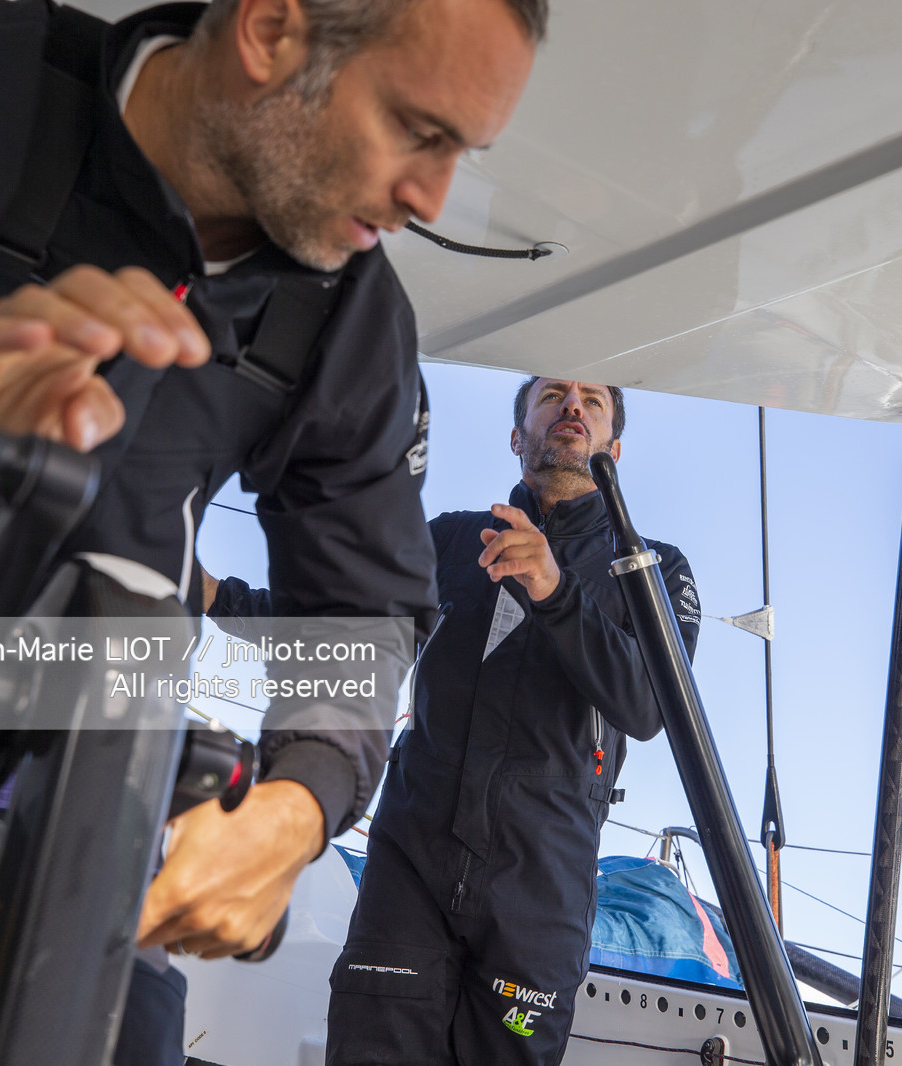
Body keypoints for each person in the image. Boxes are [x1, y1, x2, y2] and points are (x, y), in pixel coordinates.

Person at [0, 0, 544, 1061]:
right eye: (418, 129)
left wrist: (301, 803)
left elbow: (362, 608)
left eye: (461, 151)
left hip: (61, 728)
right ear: (271, 31)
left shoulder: (355, 326)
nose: (432, 199)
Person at [205, 377, 701, 1065]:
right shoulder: (450, 540)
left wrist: (555, 592)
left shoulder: (653, 569)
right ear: (516, 434)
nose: (573, 405)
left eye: (593, 398)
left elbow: (651, 706)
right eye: (553, 392)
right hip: (411, 867)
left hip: (541, 890)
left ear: (614, 446)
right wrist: (209, 595)